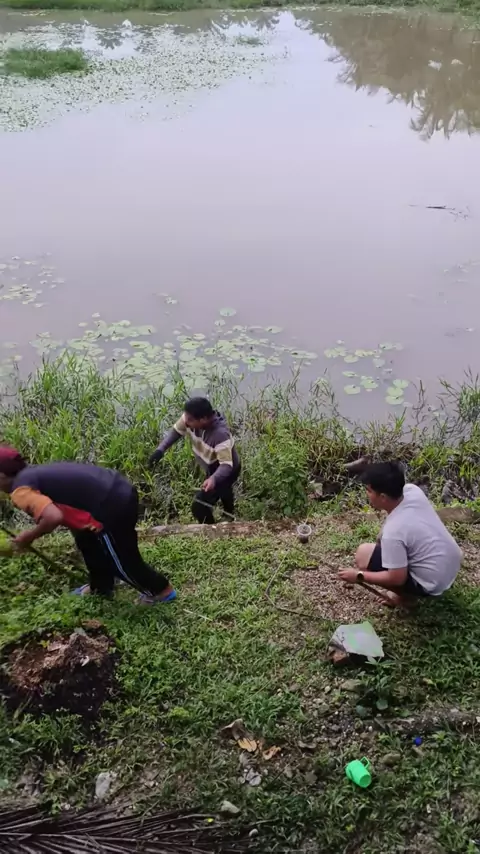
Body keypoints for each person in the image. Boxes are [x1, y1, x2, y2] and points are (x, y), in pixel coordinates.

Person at [0, 446, 176, 604]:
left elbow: (53, 517)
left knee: (120, 560)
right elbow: (67, 503)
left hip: (110, 505)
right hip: (116, 487)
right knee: (87, 542)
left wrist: (30, 536)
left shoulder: (21, 490)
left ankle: (161, 591)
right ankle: (100, 587)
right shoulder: (32, 473)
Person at [338, 461, 462, 607]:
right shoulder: (412, 491)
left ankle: (405, 598)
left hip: (431, 584)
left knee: (363, 554)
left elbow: (396, 578)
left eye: (369, 491)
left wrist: (358, 576)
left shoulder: (394, 531)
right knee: (386, 548)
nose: (367, 494)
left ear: (383, 497)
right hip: (450, 565)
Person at [149, 397, 240, 524]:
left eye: (190, 419)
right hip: (212, 466)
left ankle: (212, 530)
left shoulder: (219, 434)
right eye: (185, 417)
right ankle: (229, 515)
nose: (185, 421)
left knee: (199, 506)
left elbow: (225, 465)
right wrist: (160, 450)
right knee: (224, 491)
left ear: (204, 419)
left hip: (227, 470)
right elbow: (176, 432)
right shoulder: (190, 419)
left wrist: (213, 479)